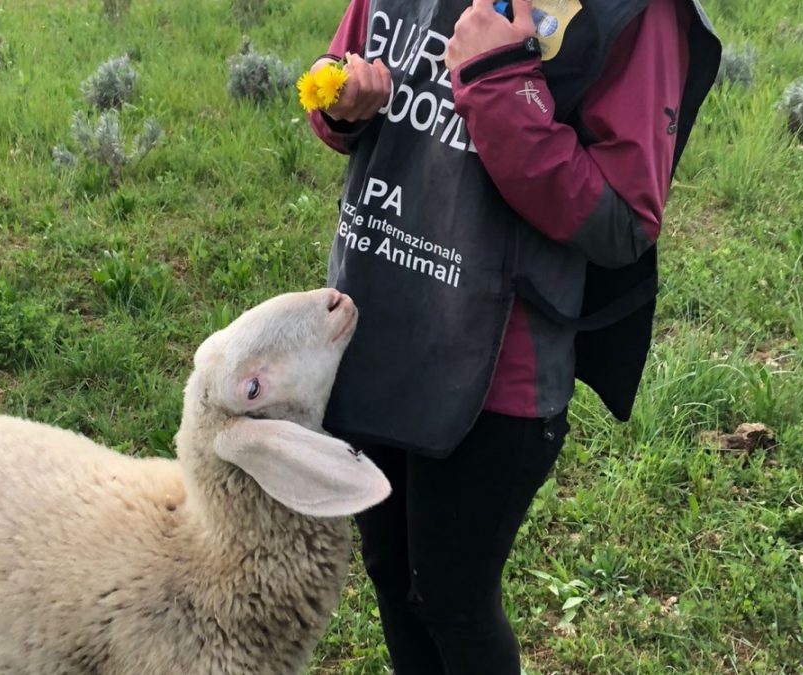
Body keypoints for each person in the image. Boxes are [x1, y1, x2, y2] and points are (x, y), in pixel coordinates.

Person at [305, 0, 722, 672]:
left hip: (501, 369)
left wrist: (499, 83)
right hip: (376, 322)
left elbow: (623, 222)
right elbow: (340, 69)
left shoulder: (635, 15)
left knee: (452, 598)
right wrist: (340, 97)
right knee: (389, 569)